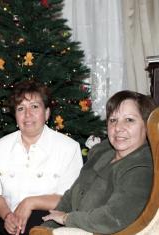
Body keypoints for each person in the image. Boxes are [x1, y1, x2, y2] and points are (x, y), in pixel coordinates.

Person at [42, 90, 156, 234]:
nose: (118, 128)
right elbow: (71, 197)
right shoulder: (102, 154)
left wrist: (67, 219)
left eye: (129, 120)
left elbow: (114, 218)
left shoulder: (142, 168)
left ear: (146, 127)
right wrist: (46, 227)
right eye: (113, 120)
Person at [0, 80, 83, 235]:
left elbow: (72, 198)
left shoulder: (69, 148)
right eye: (21, 108)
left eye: (34, 106)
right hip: (7, 226)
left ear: (47, 113)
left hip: (49, 227)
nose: (28, 114)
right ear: (15, 116)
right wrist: (7, 215)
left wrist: (30, 203)